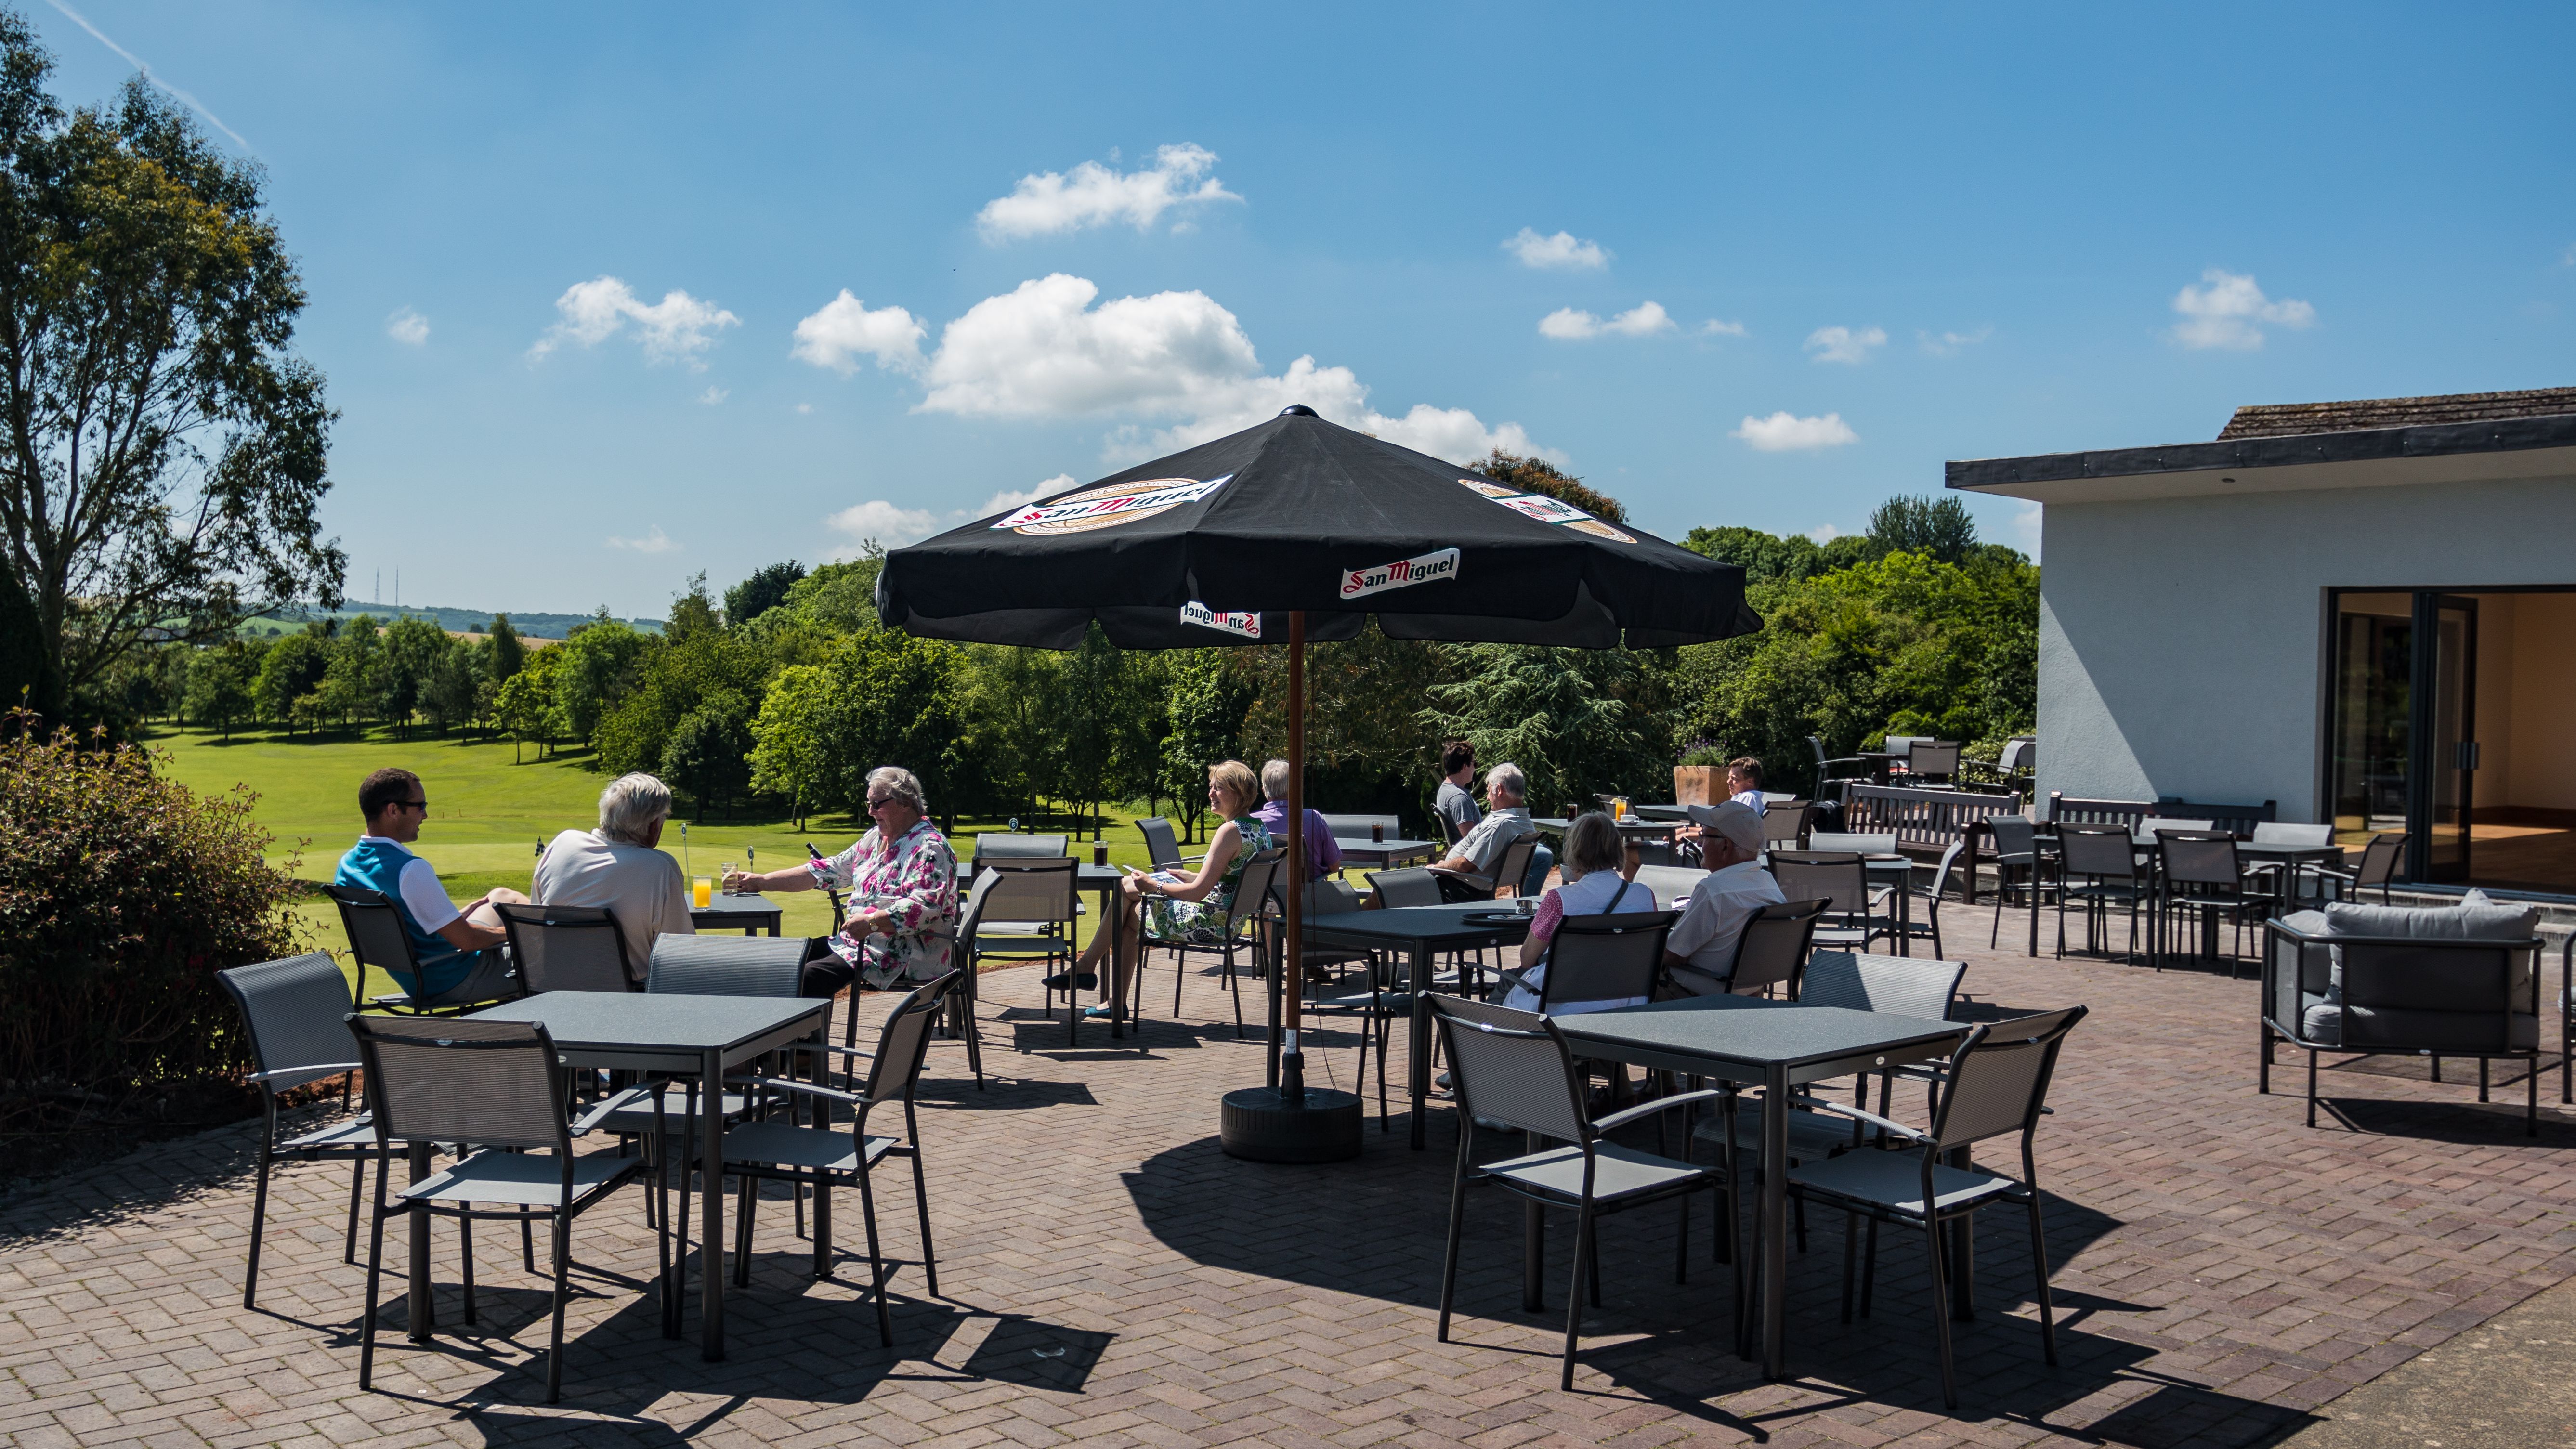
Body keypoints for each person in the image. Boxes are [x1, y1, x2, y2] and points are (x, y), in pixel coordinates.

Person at [1045, 760, 1272, 1018]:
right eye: (1211, 787)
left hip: (1209, 923)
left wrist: (1155, 885)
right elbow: (1233, 881)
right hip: (1229, 920)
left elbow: (1197, 893)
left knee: (1127, 893)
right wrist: (1189, 875)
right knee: (1131, 910)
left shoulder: (1229, 832)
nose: (1210, 793)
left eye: (1218, 788)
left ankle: (1089, 969)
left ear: (1238, 793)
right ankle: (1108, 995)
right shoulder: (1258, 829)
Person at [722, 766, 957, 998]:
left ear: (905, 803)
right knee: (782, 959)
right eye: (869, 804)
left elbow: (925, 908)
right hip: (858, 944)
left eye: (877, 805)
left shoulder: (929, 848)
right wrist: (762, 881)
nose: (870, 812)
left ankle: (806, 1037)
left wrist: (872, 923)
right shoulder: (876, 838)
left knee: (805, 977)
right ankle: (789, 1034)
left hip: (902, 955)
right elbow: (829, 870)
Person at [335, 766, 524, 1004]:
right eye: (420, 806)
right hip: (456, 979)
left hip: (418, 979)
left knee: (502, 895)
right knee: (550, 949)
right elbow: (468, 942)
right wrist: (520, 931)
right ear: (393, 810)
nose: (425, 815)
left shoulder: (347, 866)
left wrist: (448, 920)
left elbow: (400, 926)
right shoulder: (410, 869)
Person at [531, 772, 695, 980]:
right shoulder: (660, 867)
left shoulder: (562, 843)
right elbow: (678, 953)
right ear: (655, 825)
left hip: (554, 988)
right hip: (631, 999)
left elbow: (537, 920)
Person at [1497, 812, 1658, 1014]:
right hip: (1625, 1002)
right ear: (1617, 849)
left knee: (1506, 982)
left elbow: (1527, 959)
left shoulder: (1560, 900)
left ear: (1574, 851)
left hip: (1564, 1005)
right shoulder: (1644, 895)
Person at [1663, 801, 1787, 995]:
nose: (1699, 843)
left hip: (1705, 992)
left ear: (1725, 847)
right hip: (1750, 989)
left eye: (1704, 836)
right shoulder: (1768, 883)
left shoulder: (1714, 890)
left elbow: (1674, 954)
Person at [1435, 762, 1536, 888]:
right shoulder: (1526, 823)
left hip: (1458, 886)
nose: (1488, 798)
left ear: (1499, 790)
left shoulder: (1500, 825)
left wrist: (1438, 867)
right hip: (1465, 883)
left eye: (1489, 791)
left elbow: (1465, 865)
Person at [1253, 758, 1342, 882]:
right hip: (1309, 897)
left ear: (1264, 791)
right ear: (1295, 787)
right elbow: (1334, 866)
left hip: (1267, 897)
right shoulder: (1313, 818)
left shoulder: (1251, 824)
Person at [1433, 738, 1481, 844]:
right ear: (1465, 766)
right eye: (1474, 764)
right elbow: (1472, 841)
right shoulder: (1458, 797)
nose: (1475, 769)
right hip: (1471, 858)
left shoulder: (1445, 790)